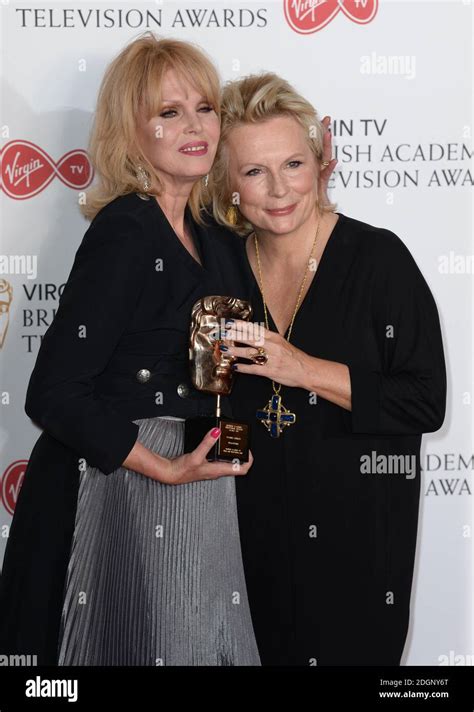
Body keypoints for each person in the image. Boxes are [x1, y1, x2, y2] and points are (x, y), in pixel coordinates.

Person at [0, 35, 260, 666]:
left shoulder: (215, 236)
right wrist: (165, 466)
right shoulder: (126, 229)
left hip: (196, 494)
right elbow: (54, 392)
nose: (195, 126)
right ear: (131, 131)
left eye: (204, 107)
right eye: (168, 113)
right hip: (116, 488)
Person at [208, 72, 447, 665]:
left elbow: (424, 401)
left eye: (293, 164)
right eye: (254, 172)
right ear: (226, 183)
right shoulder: (222, 269)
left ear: (324, 158)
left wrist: (303, 368)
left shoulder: (378, 260)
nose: (278, 189)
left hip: (358, 548)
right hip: (246, 549)